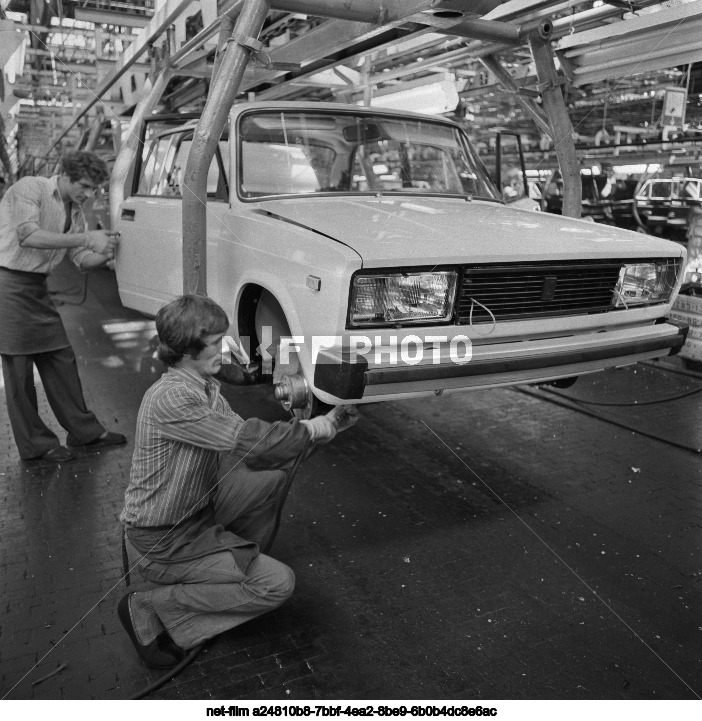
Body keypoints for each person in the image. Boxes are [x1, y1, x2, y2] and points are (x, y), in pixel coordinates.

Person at [118, 294, 358, 668]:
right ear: (186, 350)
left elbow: (259, 452)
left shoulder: (204, 386)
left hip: (197, 513)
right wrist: (311, 427)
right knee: (277, 585)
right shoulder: (172, 399)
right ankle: (149, 604)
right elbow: (254, 441)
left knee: (269, 477)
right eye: (215, 343)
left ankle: (228, 564)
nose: (226, 348)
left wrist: (326, 429)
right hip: (165, 538)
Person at [0, 151, 127, 463]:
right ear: (66, 176)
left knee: (61, 357)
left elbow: (82, 261)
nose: (89, 194)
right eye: (84, 186)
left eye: (95, 189)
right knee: (18, 370)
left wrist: (107, 253)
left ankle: (84, 433)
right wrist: (87, 238)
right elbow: (27, 236)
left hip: (36, 287)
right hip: (7, 282)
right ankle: (37, 445)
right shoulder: (30, 188)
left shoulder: (76, 212)